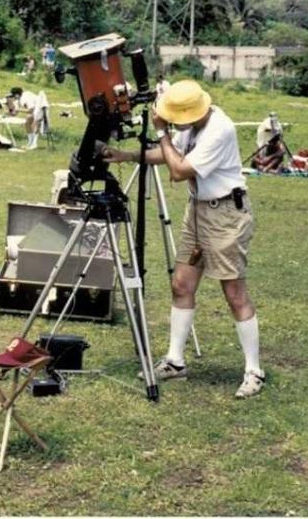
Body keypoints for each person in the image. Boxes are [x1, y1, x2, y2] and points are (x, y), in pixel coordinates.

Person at [102, 80, 264, 398]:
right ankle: (175, 361)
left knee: (234, 292)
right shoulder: (192, 125)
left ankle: (254, 370)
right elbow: (168, 154)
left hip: (226, 214)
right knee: (181, 284)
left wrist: (161, 131)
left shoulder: (220, 129)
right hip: (199, 211)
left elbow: (178, 170)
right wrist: (125, 155)